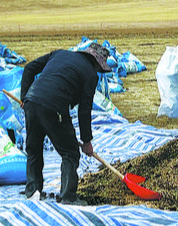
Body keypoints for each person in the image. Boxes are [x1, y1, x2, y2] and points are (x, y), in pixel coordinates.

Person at [19, 42, 113, 205]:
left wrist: (24, 97)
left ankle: (32, 192)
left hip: (31, 102)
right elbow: (84, 110)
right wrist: (87, 141)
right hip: (54, 108)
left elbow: (28, 69)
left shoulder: (59, 54)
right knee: (70, 153)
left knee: (33, 149)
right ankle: (68, 197)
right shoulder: (91, 74)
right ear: (97, 63)